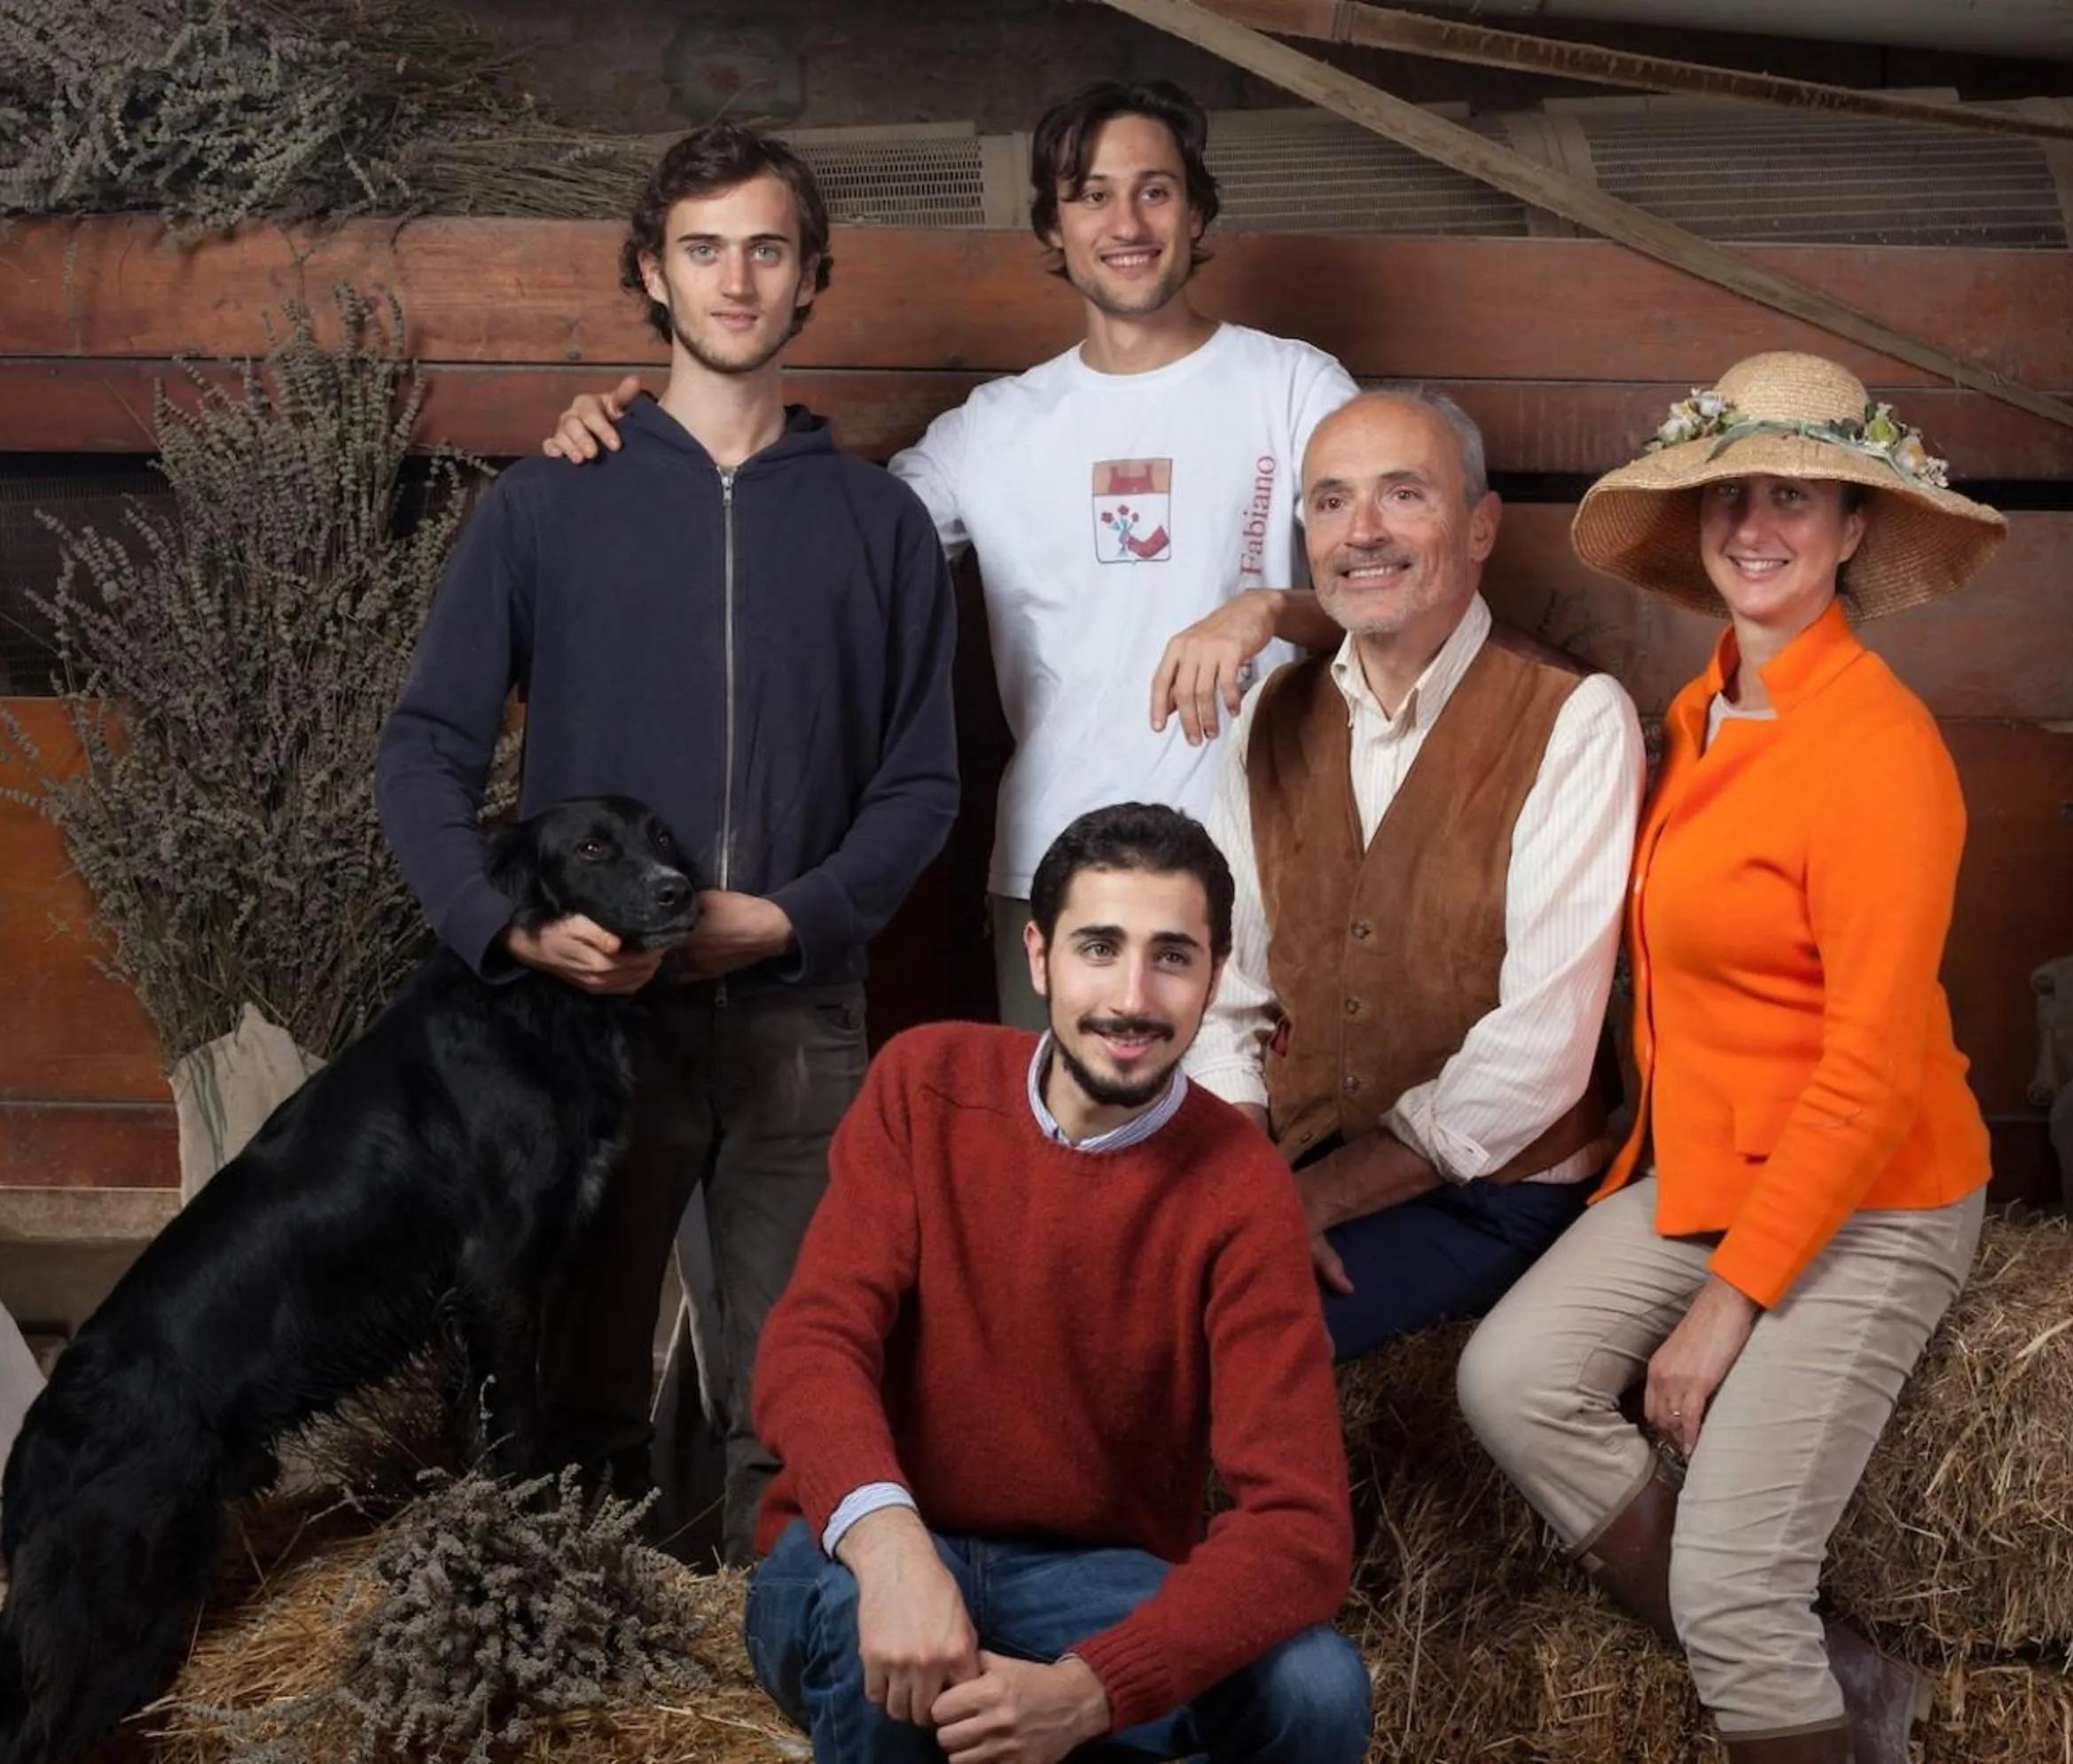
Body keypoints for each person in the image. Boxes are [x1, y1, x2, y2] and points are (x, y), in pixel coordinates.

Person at [375, 121, 958, 1563]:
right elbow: (423, 754)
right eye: (703, 249)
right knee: (571, 1390)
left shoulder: (879, 525)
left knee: (805, 1396)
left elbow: (921, 785)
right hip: (591, 1026)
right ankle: (591, 1673)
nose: (736, 279)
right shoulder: (544, 504)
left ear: (812, 275)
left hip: (796, 1018)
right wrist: (502, 927)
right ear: (652, 271)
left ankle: (781, 1675)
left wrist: (792, 919)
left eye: (766, 249)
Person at [1455, 351, 2007, 1764]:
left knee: (1725, 1577)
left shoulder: (1879, 751)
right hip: (1711, 1157)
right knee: (1507, 1379)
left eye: (1797, 497)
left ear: (1852, 529)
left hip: (1870, 1186)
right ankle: (1828, 1676)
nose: (1755, 524)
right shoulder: (1704, 712)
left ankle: (1753, 1637)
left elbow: (1870, 1070)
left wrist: (1725, 1307)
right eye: (1731, 495)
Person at [544, 82, 1359, 1028]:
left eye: (1155, 190)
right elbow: (809, 542)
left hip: (1262, 862)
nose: (1125, 221)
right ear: (1051, 229)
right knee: (1066, 1168)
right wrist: (643, 448)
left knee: (1251, 1168)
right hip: (1056, 874)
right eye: (1090, 194)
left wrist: (1266, 607)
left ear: (1197, 209)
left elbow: (1394, 596)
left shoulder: (1292, 384)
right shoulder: (990, 431)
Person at [743, 803, 1371, 1764]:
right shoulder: (924, 1083)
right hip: (870, 1547)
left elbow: (1299, 1525)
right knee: (867, 1639)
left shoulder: (1241, 1188)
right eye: (1097, 947)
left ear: (1215, 973)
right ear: (1037, 957)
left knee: (1317, 1690)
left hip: (1087, 1582)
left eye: (1171, 956)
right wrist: (891, 1547)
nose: (1131, 996)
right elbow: (812, 1345)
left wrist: (1093, 1690)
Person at [1181, 390, 1645, 1362]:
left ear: (1480, 526)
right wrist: (1245, 1185)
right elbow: (1228, 996)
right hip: (1291, 1168)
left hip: (1495, 1198)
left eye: (1403, 495)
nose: (1363, 532)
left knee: (1238, 1345)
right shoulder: (1271, 708)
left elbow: (1538, 1055)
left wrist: (1306, 1201)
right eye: (1331, 501)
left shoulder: (1573, 715)